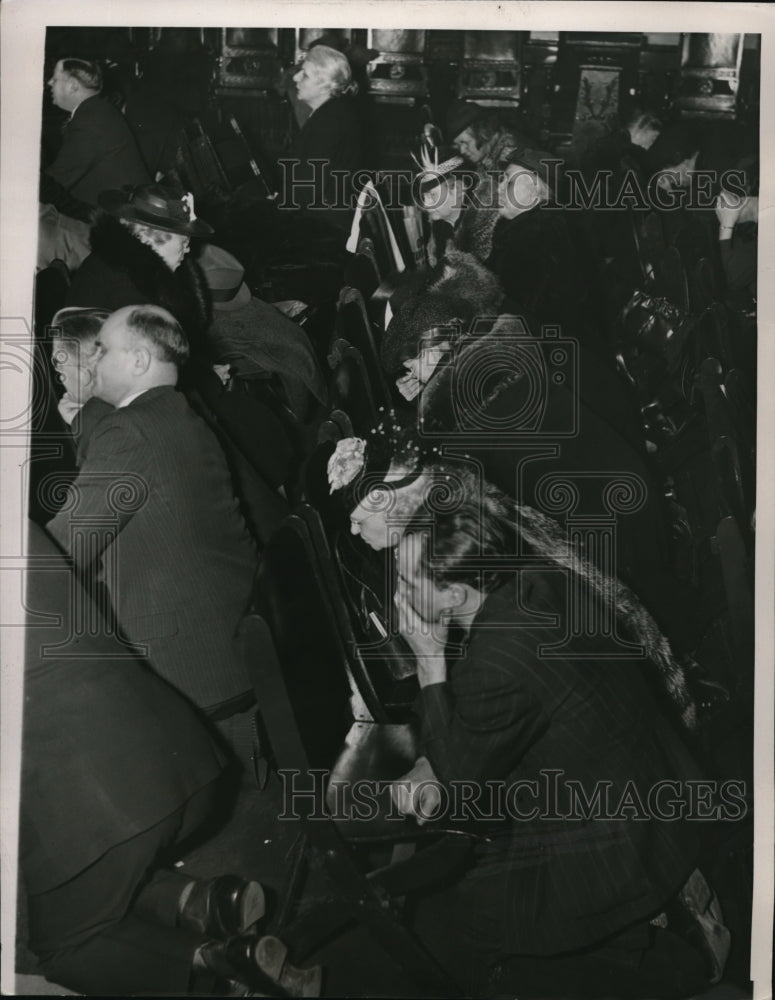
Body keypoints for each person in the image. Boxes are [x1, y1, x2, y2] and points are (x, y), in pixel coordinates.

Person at [389, 480, 730, 997]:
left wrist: (428, 666)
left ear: (455, 594)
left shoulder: (495, 662)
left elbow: (461, 786)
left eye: (408, 584)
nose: (398, 597)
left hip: (618, 842)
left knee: (474, 922)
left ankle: (654, 945)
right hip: (655, 786)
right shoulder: (541, 579)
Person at [21, 521, 318, 997]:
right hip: (181, 753)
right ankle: (210, 902)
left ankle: (220, 971)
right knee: (90, 884)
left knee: (63, 945)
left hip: (106, 801)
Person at [46, 305, 259, 765]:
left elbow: (60, 552)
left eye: (101, 349)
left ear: (139, 361)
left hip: (186, 668)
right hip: (226, 639)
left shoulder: (131, 432)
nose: (92, 359)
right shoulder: (174, 412)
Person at [65, 183, 214, 351]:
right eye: (184, 241)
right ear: (146, 237)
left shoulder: (114, 260)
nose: (188, 249)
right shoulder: (130, 296)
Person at [279, 44, 364, 230]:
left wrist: (277, 206)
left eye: (305, 74)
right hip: (328, 219)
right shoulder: (336, 111)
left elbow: (306, 192)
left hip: (323, 228)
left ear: (326, 85)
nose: (295, 77)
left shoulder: (329, 121)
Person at [44, 58, 149, 206]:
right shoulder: (97, 109)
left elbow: (57, 180)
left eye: (55, 79)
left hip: (116, 220)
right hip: (119, 208)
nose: (49, 83)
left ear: (73, 86)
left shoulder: (89, 121)